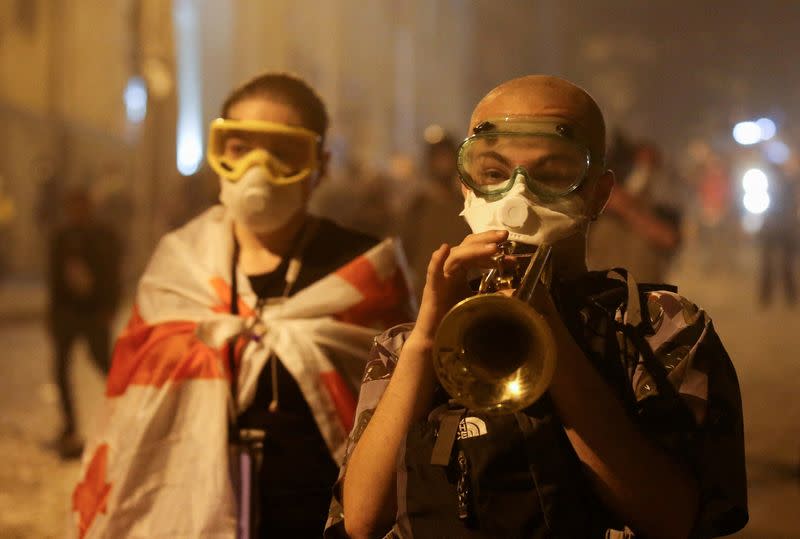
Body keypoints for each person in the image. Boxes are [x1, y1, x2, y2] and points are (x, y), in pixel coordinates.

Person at [331, 75, 747, 539]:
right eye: (493, 174)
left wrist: (549, 336)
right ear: (466, 188)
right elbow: (362, 519)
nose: (516, 198)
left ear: (598, 193)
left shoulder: (660, 328)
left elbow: (672, 518)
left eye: (551, 175)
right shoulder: (408, 342)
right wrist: (427, 339)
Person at [70, 72, 413, 538]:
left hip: (319, 516)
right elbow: (134, 408)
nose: (258, 168)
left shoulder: (363, 268)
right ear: (220, 154)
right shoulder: (180, 264)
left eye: (282, 152)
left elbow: (397, 413)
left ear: (321, 165)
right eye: (240, 147)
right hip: (190, 512)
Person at [47, 187, 122, 459]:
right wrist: (53, 314)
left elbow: (113, 274)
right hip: (67, 313)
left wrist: (109, 307)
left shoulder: (102, 237)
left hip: (93, 313)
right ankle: (69, 427)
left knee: (106, 364)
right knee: (60, 371)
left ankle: (125, 415)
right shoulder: (61, 238)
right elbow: (54, 279)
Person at [400, 128, 472, 299]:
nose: (442, 163)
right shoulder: (418, 206)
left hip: (464, 292)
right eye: (438, 157)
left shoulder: (467, 204)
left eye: (446, 156)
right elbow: (405, 250)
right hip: (426, 293)